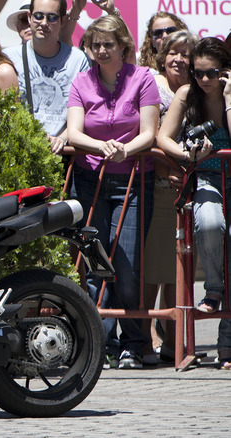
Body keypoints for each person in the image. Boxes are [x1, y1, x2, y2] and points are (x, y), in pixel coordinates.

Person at [66, 14, 160, 369]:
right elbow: (74, 133)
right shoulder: (81, 81)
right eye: (95, 45)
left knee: (127, 262)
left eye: (109, 44)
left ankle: (135, 344)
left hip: (134, 178)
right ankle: (99, 342)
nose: (102, 50)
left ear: (124, 46)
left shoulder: (143, 78)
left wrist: (125, 148)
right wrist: (100, 145)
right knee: (94, 261)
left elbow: (149, 133)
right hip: (90, 179)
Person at [156, 37, 231, 370]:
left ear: (224, 71)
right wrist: (187, 154)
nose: (204, 80)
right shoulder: (187, 95)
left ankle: (227, 345)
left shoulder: (229, 94)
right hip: (208, 179)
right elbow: (162, 137)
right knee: (211, 222)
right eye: (197, 72)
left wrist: (228, 99)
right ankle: (213, 290)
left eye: (212, 73)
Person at [144, 30, 198, 364]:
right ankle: (147, 336)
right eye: (172, 52)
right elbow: (145, 133)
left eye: (186, 53)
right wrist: (164, 165)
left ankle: (173, 342)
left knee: (181, 268)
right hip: (158, 187)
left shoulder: (199, 91)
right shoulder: (153, 83)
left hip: (190, 188)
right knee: (154, 265)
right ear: (162, 55)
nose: (179, 59)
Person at [3, 0, 91, 154]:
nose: (44, 23)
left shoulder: (78, 60)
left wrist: (63, 139)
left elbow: (86, 111)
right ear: (29, 18)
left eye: (52, 17)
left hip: (65, 156)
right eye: (38, 16)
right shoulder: (8, 58)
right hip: (22, 152)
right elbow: (4, 112)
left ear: (63, 21)